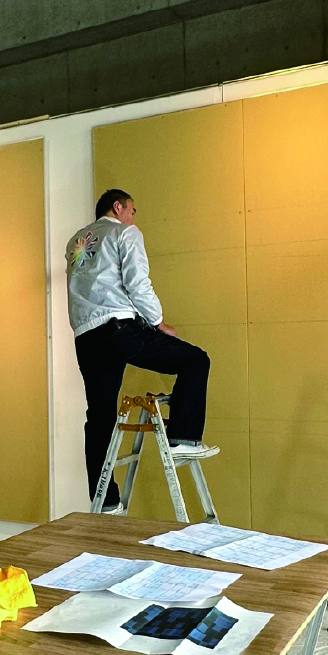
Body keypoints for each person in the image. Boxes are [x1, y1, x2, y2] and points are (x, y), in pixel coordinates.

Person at [66, 189, 217, 512]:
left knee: (100, 417)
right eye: (132, 210)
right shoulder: (125, 233)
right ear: (118, 207)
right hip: (118, 329)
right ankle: (183, 439)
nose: (133, 217)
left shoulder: (78, 242)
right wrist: (158, 322)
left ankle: (106, 501)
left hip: (86, 336)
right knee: (195, 360)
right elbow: (137, 282)